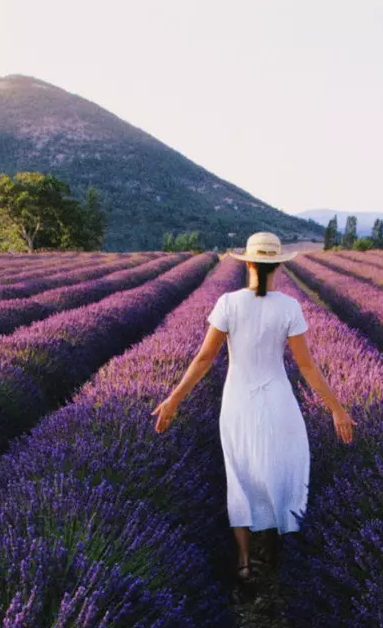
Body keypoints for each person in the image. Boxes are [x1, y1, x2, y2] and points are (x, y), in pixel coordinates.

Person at [151, 231, 355, 583]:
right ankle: (273, 553)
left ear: (246, 262)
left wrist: (173, 399)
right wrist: (336, 408)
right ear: (277, 265)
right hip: (278, 400)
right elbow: (307, 366)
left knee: (240, 474)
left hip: (239, 401)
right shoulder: (289, 307)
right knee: (278, 471)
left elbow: (204, 359)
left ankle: (244, 563)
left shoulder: (229, 304)